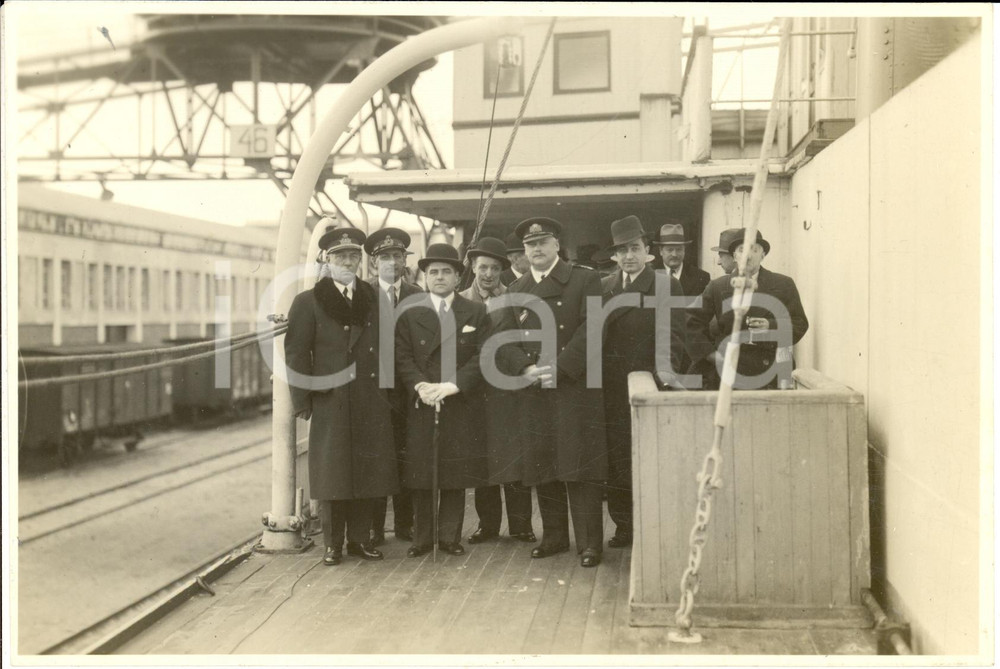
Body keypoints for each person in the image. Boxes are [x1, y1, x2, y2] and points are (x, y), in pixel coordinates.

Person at [284, 222, 397, 566]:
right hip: (330, 399)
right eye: (340, 256)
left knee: (365, 470)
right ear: (327, 260)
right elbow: (297, 353)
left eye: (352, 255)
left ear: (360, 261)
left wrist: (388, 395)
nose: (348, 262)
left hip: (369, 398)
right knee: (333, 472)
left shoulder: (376, 298)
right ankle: (333, 545)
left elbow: (388, 349)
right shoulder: (308, 302)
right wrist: (303, 400)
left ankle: (360, 541)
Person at [498, 217, 608, 568]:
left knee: (580, 467)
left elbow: (594, 331)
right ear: (524, 251)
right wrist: (525, 368)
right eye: (531, 245)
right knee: (544, 465)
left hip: (574, 388)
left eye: (544, 242)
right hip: (535, 388)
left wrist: (559, 369)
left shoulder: (585, 279)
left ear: (557, 245)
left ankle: (590, 543)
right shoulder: (516, 289)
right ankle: (555, 537)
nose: (537, 249)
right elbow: (502, 340)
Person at [395, 243, 492, 557]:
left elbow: (484, 355)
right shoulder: (409, 313)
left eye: (446, 272)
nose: (439, 277)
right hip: (423, 401)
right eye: (433, 272)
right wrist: (420, 386)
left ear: (457, 276)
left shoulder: (475, 311)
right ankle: (422, 539)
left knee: (454, 472)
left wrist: (454, 385)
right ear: (425, 276)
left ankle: (450, 537)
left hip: (458, 402)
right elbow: (402, 356)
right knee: (422, 473)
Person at [600, 215, 686, 548]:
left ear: (648, 250)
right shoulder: (605, 286)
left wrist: (664, 374)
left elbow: (673, 334)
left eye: (634, 248)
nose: (628, 256)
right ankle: (624, 526)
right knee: (618, 458)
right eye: (621, 251)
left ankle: (654, 525)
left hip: (649, 383)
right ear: (614, 256)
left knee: (651, 457)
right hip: (610, 384)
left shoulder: (665, 284)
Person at [458, 237, 536, 545]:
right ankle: (487, 525)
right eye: (482, 268)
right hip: (474, 392)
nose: (488, 274)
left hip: (508, 390)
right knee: (482, 461)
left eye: (493, 268)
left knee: (514, 458)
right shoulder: (460, 299)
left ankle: (521, 525)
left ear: (502, 270)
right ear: (474, 268)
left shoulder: (514, 298)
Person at [686, 230, 809, 390]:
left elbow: (799, 324)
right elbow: (690, 323)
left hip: (772, 370)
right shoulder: (718, 287)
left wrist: (770, 325)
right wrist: (713, 356)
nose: (748, 255)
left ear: (763, 255)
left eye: (754, 249)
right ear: (734, 256)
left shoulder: (783, 284)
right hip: (730, 370)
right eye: (741, 250)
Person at [365, 227, 422, 546]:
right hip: (374, 390)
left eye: (396, 256)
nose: (391, 262)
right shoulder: (364, 294)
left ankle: (405, 523)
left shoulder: (418, 296)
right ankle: (375, 527)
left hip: (408, 389)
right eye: (384, 257)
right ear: (374, 263)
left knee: (406, 455)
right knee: (376, 457)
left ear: (404, 261)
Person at [651, 221, 711, 302]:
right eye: (670, 250)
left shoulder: (701, 277)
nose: (674, 254)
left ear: (684, 250)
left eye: (679, 249)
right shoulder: (649, 275)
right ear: (661, 251)